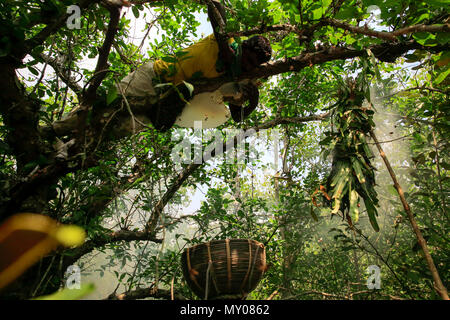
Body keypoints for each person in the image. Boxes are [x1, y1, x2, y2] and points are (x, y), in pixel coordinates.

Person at [117, 0, 272, 131]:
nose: (248, 65)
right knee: (112, 103)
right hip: (154, 76)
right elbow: (216, 4)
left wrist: (253, 103)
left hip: (164, 102)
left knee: (116, 128)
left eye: (253, 64)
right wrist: (224, 46)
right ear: (243, 46)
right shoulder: (225, 40)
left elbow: (237, 116)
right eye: (248, 59)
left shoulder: (238, 81)